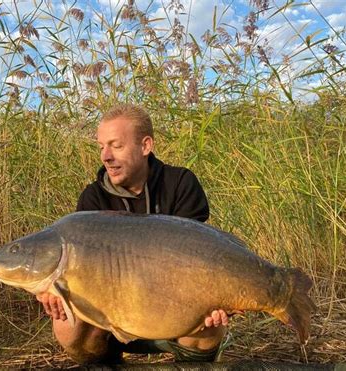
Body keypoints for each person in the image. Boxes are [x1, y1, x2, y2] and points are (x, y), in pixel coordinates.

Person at [37, 104, 228, 364]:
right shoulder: (93, 199)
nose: (106, 156)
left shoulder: (180, 183)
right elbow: (80, 269)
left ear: (145, 146)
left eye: (116, 146)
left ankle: (189, 364)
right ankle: (106, 364)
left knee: (212, 324)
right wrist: (51, 288)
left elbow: (195, 258)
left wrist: (216, 298)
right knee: (66, 326)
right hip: (114, 321)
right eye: (101, 146)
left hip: (173, 315)